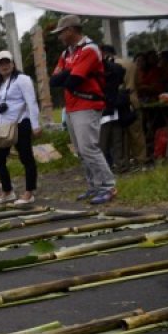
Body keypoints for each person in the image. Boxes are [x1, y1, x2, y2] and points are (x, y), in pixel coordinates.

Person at [49, 14, 117, 205]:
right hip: (71, 106)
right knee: (80, 150)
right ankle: (94, 185)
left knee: (89, 148)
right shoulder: (66, 53)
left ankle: (108, 186)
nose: (59, 37)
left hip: (87, 104)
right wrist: (71, 72)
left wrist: (67, 73)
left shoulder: (90, 49)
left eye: (61, 32)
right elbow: (54, 81)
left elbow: (72, 82)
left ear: (70, 30)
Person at [0, 51, 41, 205]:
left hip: (21, 123)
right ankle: (7, 191)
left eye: (7, 62)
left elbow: (31, 102)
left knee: (26, 158)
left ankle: (29, 192)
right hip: (4, 127)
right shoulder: (0, 84)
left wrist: (36, 125)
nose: (4, 66)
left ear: (13, 63)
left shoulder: (22, 79)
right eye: (0, 63)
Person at [98, 45, 129, 173]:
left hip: (103, 111)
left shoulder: (98, 71)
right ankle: (120, 165)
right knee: (116, 141)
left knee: (102, 144)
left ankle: (104, 168)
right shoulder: (115, 69)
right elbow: (121, 73)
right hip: (114, 109)